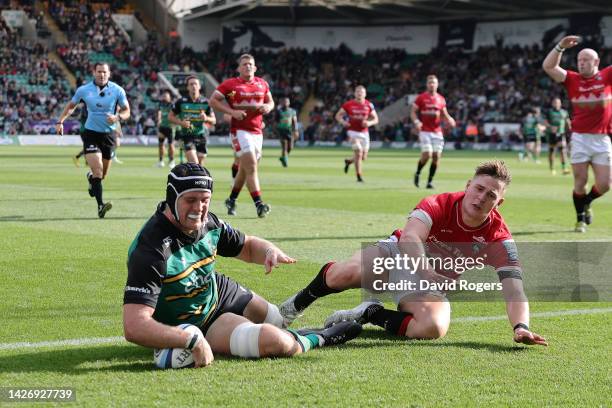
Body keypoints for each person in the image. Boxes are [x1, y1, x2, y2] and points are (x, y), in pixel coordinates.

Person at [279, 160, 547, 347]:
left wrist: (520, 327)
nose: (481, 198)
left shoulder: (498, 237)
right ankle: (293, 307)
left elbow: (514, 290)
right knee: (348, 272)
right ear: (468, 185)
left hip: (425, 282)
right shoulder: (440, 203)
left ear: (499, 202)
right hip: (398, 255)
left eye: (491, 195)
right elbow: (409, 238)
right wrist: (425, 271)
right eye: (478, 189)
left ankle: (371, 313)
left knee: (433, 328)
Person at [123, 163, 361, 368]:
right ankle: (320, 337)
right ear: (172, 198)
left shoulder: (209, 223)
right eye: (190, 200)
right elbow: (134, 326)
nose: (199, 208)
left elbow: (247, 247)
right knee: (279, 343)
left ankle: (296, 308)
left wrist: (268, 250)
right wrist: (190, 340)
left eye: (205, 200)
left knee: (276, 320)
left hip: (216, 291)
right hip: (194, 322)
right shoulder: (151, 250)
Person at [542, 35, 612, 233]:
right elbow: (548, 67)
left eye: (586, 60)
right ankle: (580, 218)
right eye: (579, 60)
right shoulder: (573, 79)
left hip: (602, 138)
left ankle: (587, 202)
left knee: (605, 185)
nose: (581, 64)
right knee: (579, 181)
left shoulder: (607, 76)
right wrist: (560, 47)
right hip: (580, 138)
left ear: (596, 62)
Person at [56, 62, 130, 218]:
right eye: (99, 72)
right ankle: (100, 206)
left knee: (102, 176)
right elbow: (71, 106)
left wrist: (117, 117)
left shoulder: (117, 90)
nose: (101, 74)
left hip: (108, 135)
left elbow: (127, 111)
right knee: (97, 171)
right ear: (93, 72)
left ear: (109, 73)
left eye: (104, 72)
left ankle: (91, 178)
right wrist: (60, 121)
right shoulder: (84, 90)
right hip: (91, 134)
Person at [210, 54, 273, 218]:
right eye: (244, 64)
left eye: (250, 64)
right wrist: (232, 112)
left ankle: (231, 200)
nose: (247, 67)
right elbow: (214, 101)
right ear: (239, 68)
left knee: (245, 170)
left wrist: (268, 107)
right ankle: (259, 204)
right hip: (239, 131)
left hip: (257, 131)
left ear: (255, 67)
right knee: (251, 166)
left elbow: (270, 102)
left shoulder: (262, 84)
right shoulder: (231, 85)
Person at [411, 75, 456, 189]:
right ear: (427, 84)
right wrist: (416, 122)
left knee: (436, 156)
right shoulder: (421, 98)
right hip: (425, 131)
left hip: (437, 132)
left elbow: (444, 114)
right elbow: (413, 112)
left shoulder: (441, 99)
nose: (432, 84)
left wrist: (450, 119)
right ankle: (418, 172)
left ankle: (429, 182)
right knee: (427, 155)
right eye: (430, 82)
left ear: (437, 84)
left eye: (434, 83)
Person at [169, 76, 216, 166]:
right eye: (191, 84)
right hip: (187, 135)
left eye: (195, 84)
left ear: (199, 86)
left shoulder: (206, 102)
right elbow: (170, 117)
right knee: (194, 163)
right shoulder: (181, 102)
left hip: (201, 135)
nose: (193, 86)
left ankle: (192, 177)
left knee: (200, 164)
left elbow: (214, 120)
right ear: (187, 87)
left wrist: (206, 118)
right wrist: (181, 122)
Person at [336, 85, 378, 182]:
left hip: (364, 133)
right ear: (355, 93)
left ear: (365, 94)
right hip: (352, 132)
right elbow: (338, 115)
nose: (359, 93)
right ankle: (359, 177)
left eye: (362, 92)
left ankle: (349, 161)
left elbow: (376, 119)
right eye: (358, 92)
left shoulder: (369, 105)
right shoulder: (348, 104)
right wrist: (343, 122)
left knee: (363, 157)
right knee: (358, 151)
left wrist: (369, 123)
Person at [545, 97, 571, 175]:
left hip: (561, 134)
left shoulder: (564, 112)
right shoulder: (549, 112)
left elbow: (567, 122)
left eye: (558, 103)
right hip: (552, 134)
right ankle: (552, 168)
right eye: (555, 102)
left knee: (563, 150)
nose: (556, 104)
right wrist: (550, 127)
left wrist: (569, 128)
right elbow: (545, 122)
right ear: (553, 104)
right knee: (552, 151)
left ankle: (564, 168)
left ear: (560, 104)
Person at [276, 97, 298, 168]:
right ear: (282, 103)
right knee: (284, 146)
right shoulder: (279, 111)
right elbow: (275, 121)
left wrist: (296, 130)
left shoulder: (292, 111)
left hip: (290, 131)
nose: (285, 103)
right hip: (282, 131)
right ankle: (285, 163)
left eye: (287, 102)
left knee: (290, 147)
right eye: (284, 102)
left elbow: (294, 121)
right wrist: (277, 129)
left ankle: (283, 157)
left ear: (289, 103)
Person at [157, 90, 176, 168]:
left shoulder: (172, 105)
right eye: (163, 96)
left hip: (170, 127)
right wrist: (159, 120)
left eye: (166, 96)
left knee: (170, 145)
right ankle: (161, 161)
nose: (164, 97)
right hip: (162, 127)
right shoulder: (160, 104)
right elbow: (159, 112)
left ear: (169, 97)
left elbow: (175, 115)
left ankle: (171, 161)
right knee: (161, 144)